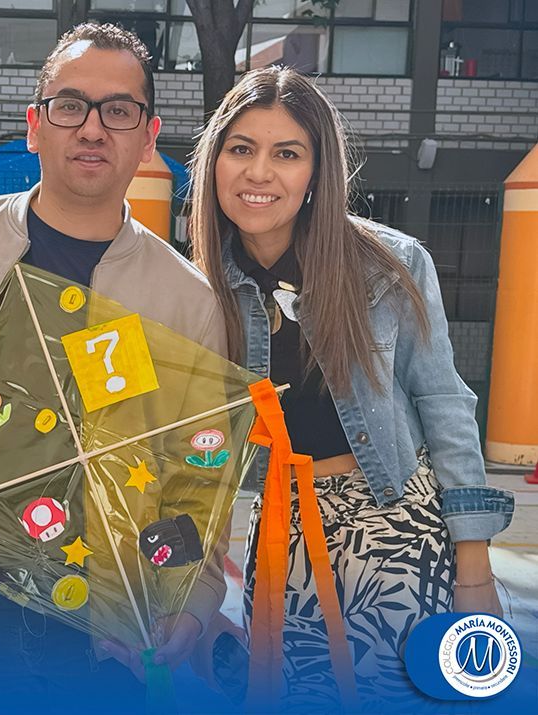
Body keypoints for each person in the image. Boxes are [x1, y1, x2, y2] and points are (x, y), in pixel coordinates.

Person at [0, 22, 234, 712]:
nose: (92, 128)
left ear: (148, 138)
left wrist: (192, 600)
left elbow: (196, 476)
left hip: (107, 624)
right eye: (70, 105)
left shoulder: (185, 300)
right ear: (34, 126)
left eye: (118, 110)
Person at [186, 66, 515, 708]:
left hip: (396, 526)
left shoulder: (389, 264)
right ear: (215, 161)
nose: (260, 172)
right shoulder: (200, 287)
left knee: (407, 696)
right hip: (280, 532)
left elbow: (445, 404)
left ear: (317, 173)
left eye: (288, 154)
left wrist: (474, 571)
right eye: (241, 148)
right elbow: (195, 450)